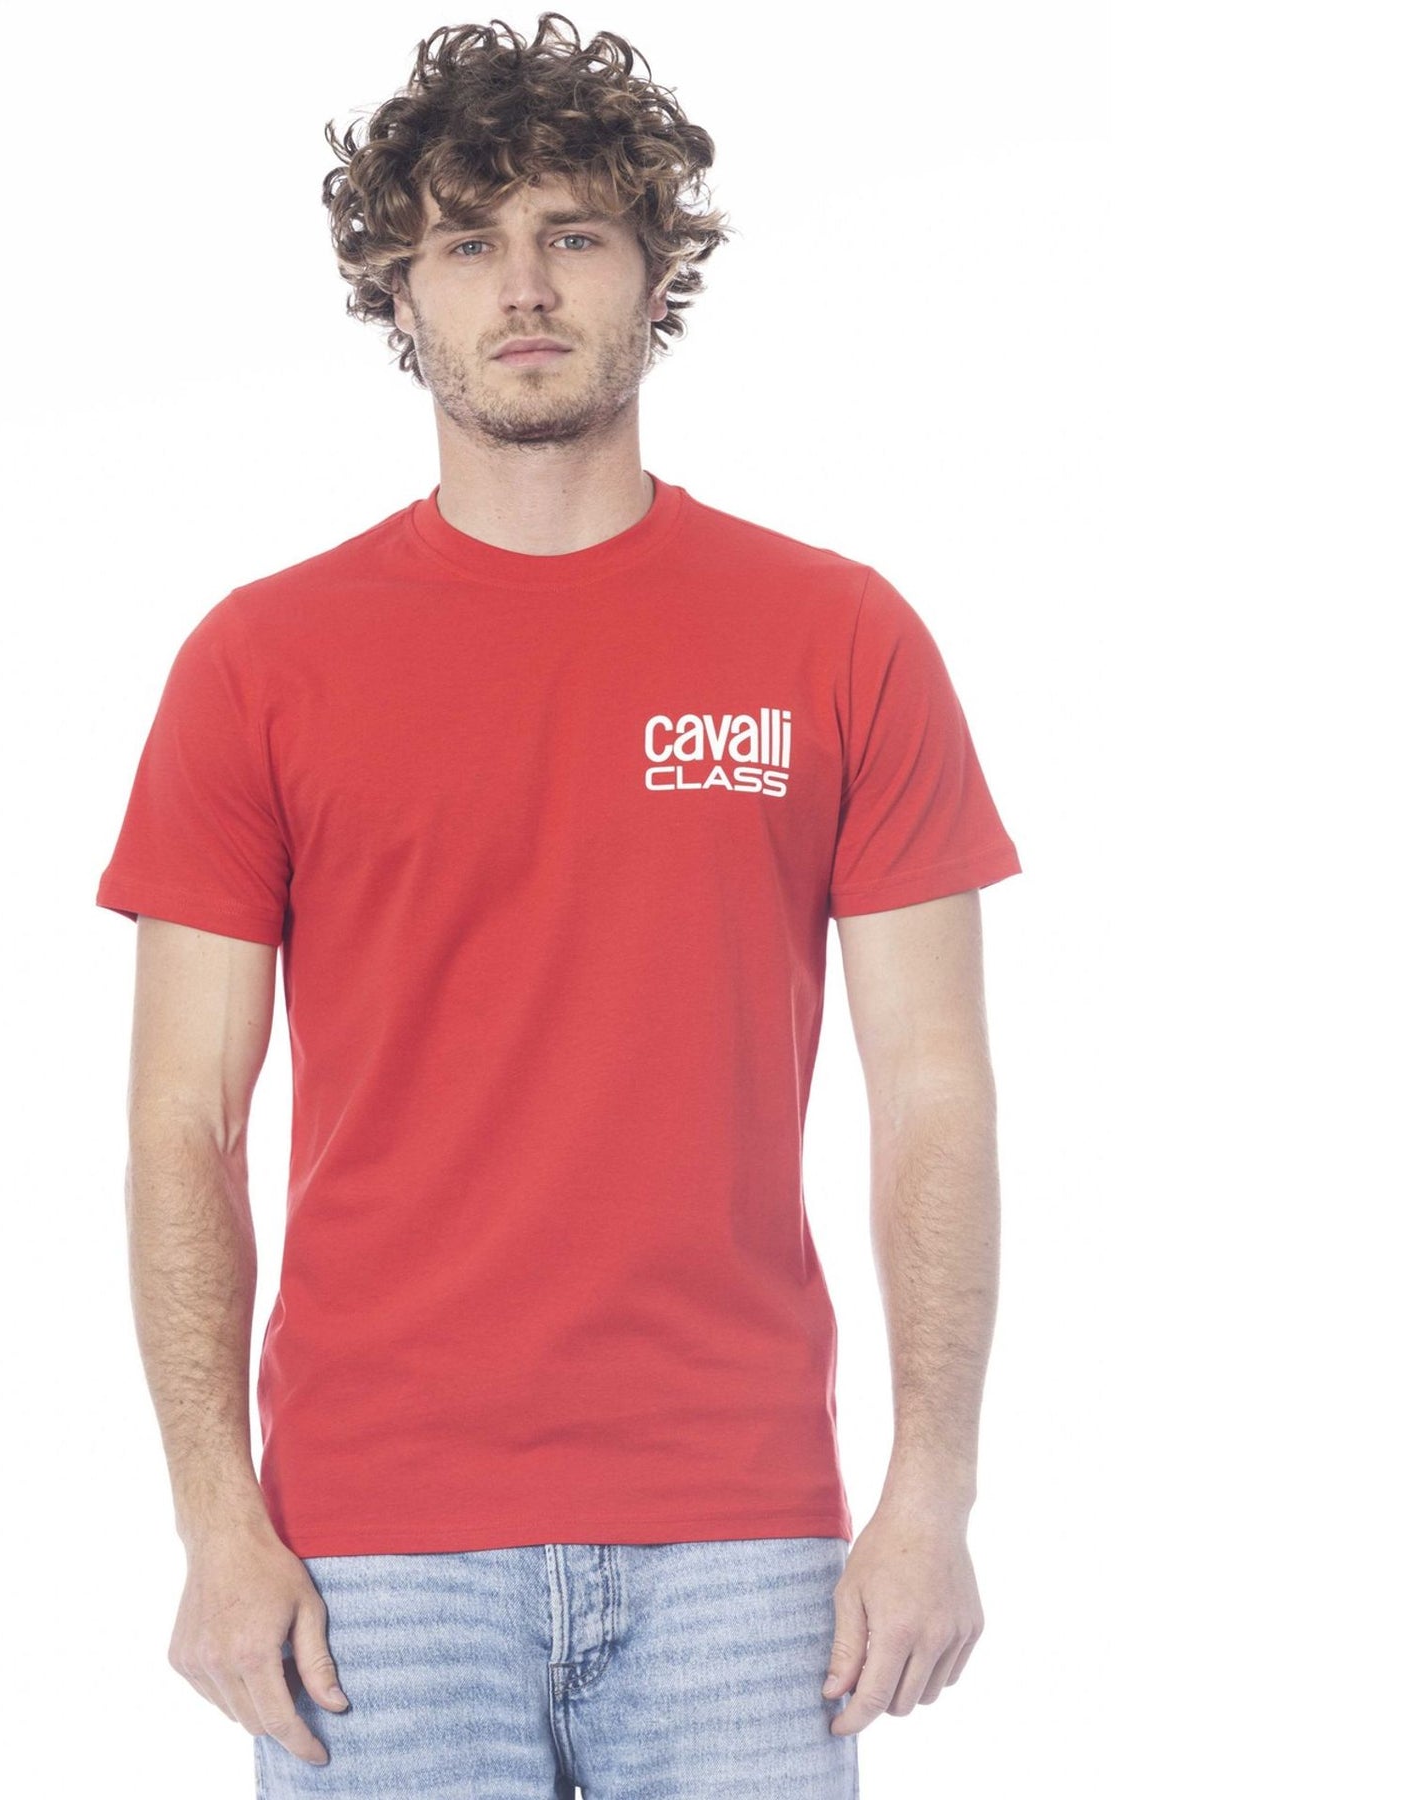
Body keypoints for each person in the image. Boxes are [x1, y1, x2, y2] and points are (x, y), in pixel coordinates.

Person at [95, 15, 1021, 1797]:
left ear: (656, 272)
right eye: (468, 242)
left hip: (742, 1535)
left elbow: (934, 1095)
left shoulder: (839, 638)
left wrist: (932, 1493)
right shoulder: (259, 663)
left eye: (573, 234)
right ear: (401, 290)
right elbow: (181, 1123)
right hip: (368, 1556)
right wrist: (216, 1520)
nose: (523, 286)